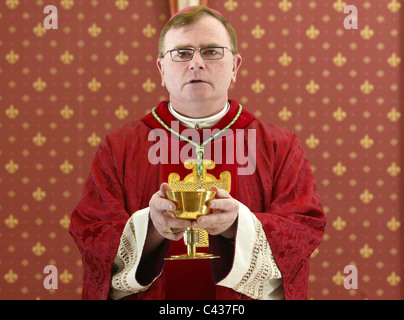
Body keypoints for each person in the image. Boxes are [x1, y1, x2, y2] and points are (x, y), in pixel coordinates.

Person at [69, 6, 326, 300]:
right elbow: (91, 234)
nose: (196, 64)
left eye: (212, 51)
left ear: (235, 67)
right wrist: (152, 226)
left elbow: (303, 228)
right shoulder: (120, 146)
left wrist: (236, 225)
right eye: (181, 53)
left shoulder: (278, 146)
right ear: (161, 70)